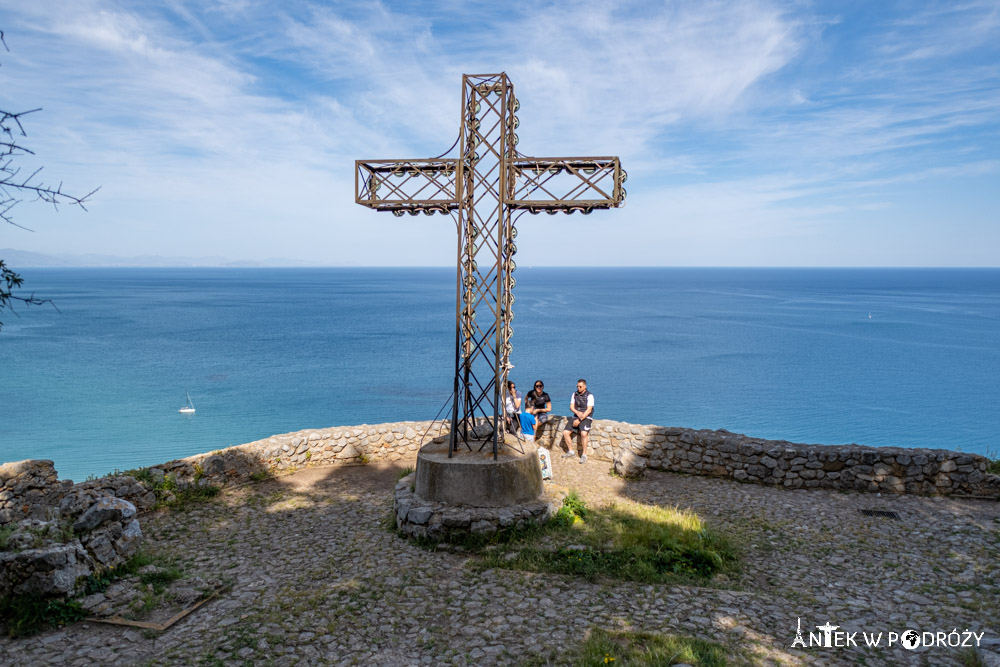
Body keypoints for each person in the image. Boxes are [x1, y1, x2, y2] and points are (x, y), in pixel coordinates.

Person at [562, 378, 594, 464]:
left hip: (586, 417)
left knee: (584, 433)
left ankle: (584, 455)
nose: (578, 388)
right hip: (576, 415)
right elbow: (571, 407)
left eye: (580, 386)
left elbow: (589, 410)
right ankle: (571, 451)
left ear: (585, 386)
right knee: (565, 432)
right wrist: (577, 413)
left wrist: (580, 419)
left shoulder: (590, 396)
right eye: (577, 386)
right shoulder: (574, 394)